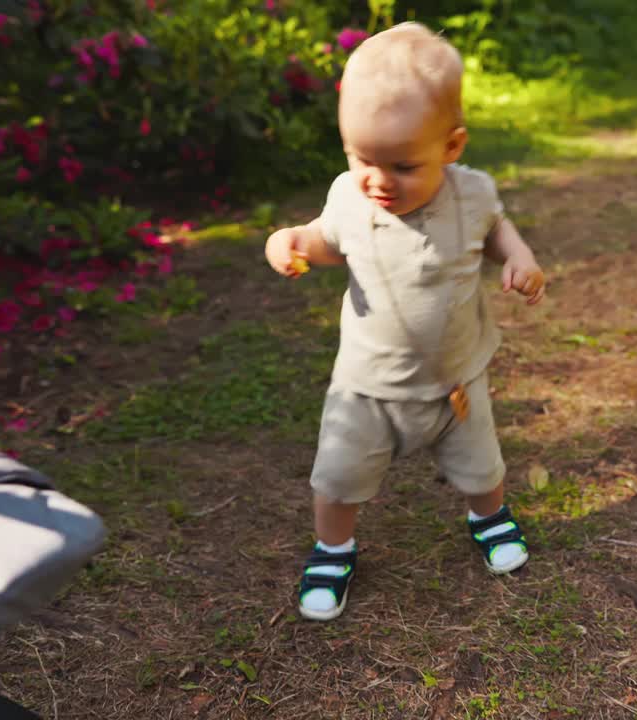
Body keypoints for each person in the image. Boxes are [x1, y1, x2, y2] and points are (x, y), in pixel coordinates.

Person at [264, 22, 547, 621]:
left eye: (401, 165)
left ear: (451, 147)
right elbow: (324, 240)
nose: (377, 179)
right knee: (338, 478)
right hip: (367, 387)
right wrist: (289, 240)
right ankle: (332, 549)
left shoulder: (473, 194)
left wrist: (519, 256)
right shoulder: (350, 197)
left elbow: (495, 227)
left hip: (455, 381)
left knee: (482, 465)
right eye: (361, 157)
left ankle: (489, 518)